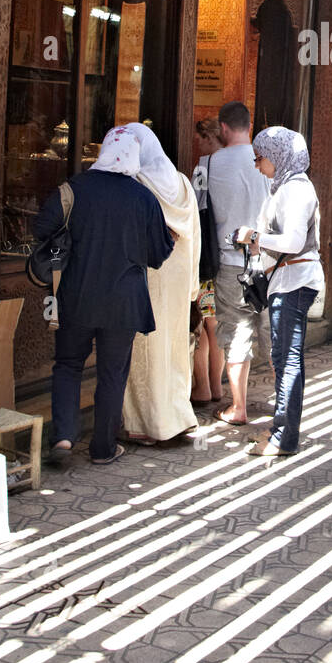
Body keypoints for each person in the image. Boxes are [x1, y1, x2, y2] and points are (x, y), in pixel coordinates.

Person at [35, 127, 175, 468]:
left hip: (75, 296)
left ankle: (64, 437)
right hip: (123, 303)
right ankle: (102, 449)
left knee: (68, 364)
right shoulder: (144, 198)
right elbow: (158, 255)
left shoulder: (73, 189)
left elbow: (41, 229)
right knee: (113, 373)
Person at [235, 127, 323, 458]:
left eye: (260, 158)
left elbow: (294, 242)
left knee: (287, 360)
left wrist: (255, 236)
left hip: (295, 282)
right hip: (286, 281)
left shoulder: (297, 190)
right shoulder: (286, 187)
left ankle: (284, 437)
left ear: (277, 156)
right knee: (282, 358)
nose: (257, 165)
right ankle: (280, 430)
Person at [120, 123, 200, 445]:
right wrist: (193, 285)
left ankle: (148, 426)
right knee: (173, 348)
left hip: (147, 274)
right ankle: (177, 417)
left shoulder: (136, 183)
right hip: (178, 275)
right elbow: (194, 234)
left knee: (146, 352)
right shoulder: (181, 183)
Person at [197, 101, 270, 426]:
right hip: (267, 259)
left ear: (223, 128)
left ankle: (238, 407)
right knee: (273, 331)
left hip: (227, 261)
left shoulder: (206, 165)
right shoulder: (269, 164)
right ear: (249, 125)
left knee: (236, 331)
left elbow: (196, 216)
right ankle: (284, 403)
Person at [192, 119, 225, 405]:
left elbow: (197, 208)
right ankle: (218, 387)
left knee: (203, 326)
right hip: (228, 257)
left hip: (206, 259)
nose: (197, 145)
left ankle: (202, 388)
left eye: (200, 139)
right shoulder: (240, 164)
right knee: (217, 327)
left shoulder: (204, 165)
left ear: (208, 139)